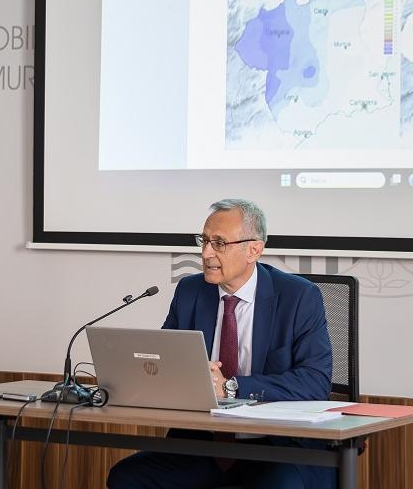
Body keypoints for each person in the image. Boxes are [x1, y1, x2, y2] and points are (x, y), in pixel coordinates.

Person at [107, 199, 335, 489]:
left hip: (278, 448)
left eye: (219, 243)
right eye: (203, 241)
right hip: (205, 444)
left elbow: (314, 383)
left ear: (254, 249)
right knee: (128, 477)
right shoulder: (190, 290)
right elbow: (165, 361)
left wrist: (231, 386)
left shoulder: (299, 297)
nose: (205, 253)